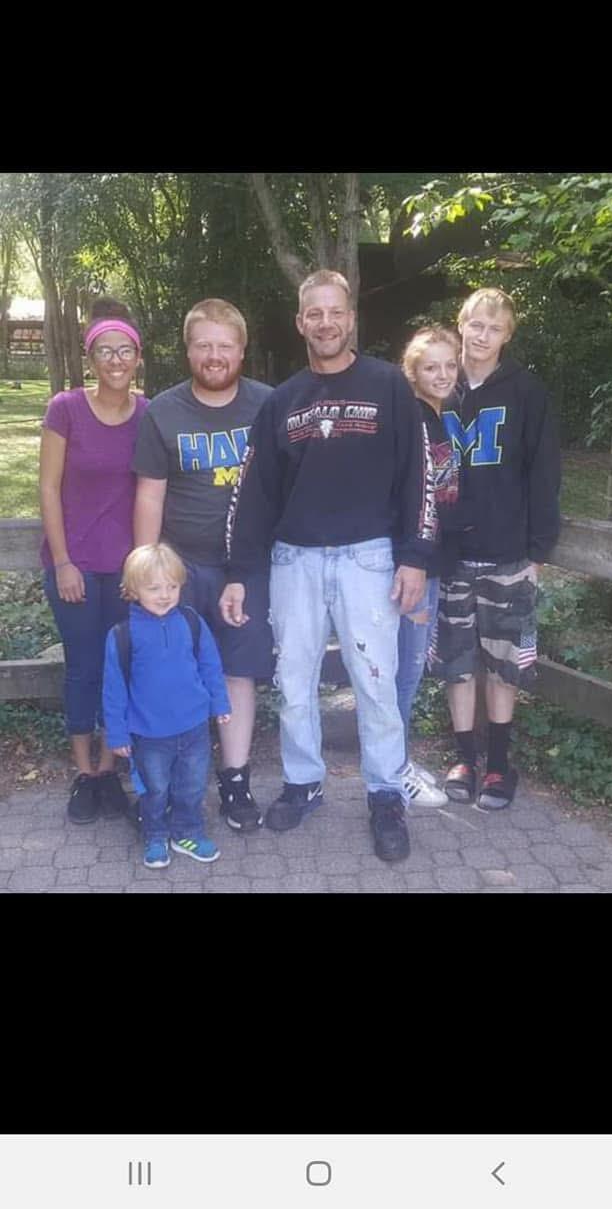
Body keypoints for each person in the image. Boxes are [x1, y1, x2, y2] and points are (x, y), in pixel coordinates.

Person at [221, 269, 432, 864]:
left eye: (335, 311)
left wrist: (415, 556)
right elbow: (254, 494)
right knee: (294, 683)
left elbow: (418, 477)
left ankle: (385, 794)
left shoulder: (389, 386)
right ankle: (303, 782)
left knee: (376, 682)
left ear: (351, 318)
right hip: (296, 562)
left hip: (370, 559)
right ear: (300, 322)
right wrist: (239, 571)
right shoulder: (282, 401)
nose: (325, 322)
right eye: (314, 313)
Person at [132, 298, 273, 834]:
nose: (215, 355)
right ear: (188, 350)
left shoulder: (268, 405)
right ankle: (169, 787)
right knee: (172, 671)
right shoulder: (163, 412)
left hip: (247, 567)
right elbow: (149, 495)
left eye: (225, 345)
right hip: (181, 568)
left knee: (238, 673)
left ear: (242, 350)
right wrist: (146, 572)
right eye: (204, 345)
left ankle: (235, 780)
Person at [431, 287, 561, 809]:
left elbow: (544, 472)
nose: (483, 336)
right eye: (476, 325)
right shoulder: (439, 386)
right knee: (457, 663)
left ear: (508, 335)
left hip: (508, 553)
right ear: (461, 324)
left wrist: (538, 551)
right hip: (449, 555)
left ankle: (499, 766)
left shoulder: (527, 392)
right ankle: (465, 758)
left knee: (505, 665)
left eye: (495, 328)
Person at [39, 304, 147, 824]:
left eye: (124, 351)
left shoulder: (148, 413)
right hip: (75, 567)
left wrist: (142, 568)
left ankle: (109, 772)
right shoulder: (65, 408)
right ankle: (84, 774)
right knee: (83, 668)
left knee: (119, 669)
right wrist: (63, 561)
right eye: (105, 351)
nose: (115, 360)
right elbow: (48, 487)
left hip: (126, 571)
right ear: (91, 358)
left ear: (137, 358)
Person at [102, 543, 231, 869]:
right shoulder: (122, 635)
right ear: (132, 590)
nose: (164, 595)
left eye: (172, 587)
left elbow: (210, 666)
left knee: (192, 786)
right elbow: (114, 690)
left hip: (194, 728)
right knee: (154, 789)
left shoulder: (191, 622)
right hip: (149, 734)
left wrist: (220, 703)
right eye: (154, 588)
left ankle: (187, 832)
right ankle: (156, 835)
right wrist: (117, 734)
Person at [395, 325, 467, 808]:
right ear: (413, 372)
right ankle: (393, 767)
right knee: (405, 668)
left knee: (412, 665)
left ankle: (395, 755)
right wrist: (412, 559)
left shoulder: (443, 416)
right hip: (415, 565)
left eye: (448, 365)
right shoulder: (414, 419)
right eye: (430, 367)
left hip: (436, 562)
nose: (441, 375)